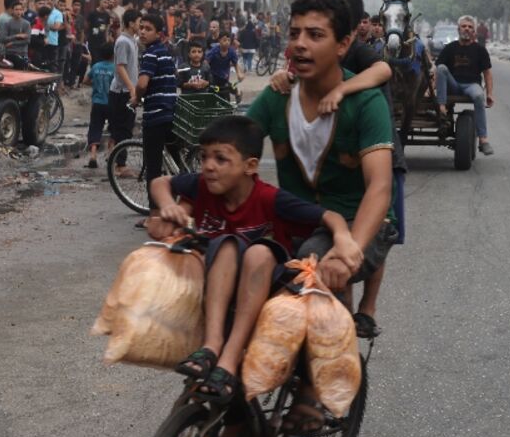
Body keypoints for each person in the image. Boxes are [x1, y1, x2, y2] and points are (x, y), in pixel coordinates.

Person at [146, 115, 361, 403]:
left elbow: (329, 216)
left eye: (221, 159)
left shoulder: (270, 199)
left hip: (264, 292)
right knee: (224, 246)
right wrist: (169, 207)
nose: (208, 166)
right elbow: (161, 182)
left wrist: (344, 238)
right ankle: (212, 348)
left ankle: (229, 359)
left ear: (250, 166)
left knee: (252, 249)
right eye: (204, 157)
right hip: (218, 292)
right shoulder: (201, 187)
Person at [246, 0, 396, 387]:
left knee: (314, 265)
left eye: (314, 35)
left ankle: (321, 391)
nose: (300, 44)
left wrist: (349, 253)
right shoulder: (277, 95)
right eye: (294, 34)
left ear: (344, 42)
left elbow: (380, 187)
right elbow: (232, 145)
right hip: (294, 218)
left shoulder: (365, 101)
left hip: (354, 220)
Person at [135, 12, 178, 208]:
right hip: (171, 112)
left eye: (148, 29)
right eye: (141, 27)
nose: (143, 32)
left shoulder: (150, 54)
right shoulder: (166, 51)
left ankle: (154, 213)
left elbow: (143, 83)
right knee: (176, 163)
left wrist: (136, 97)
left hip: (156, 116)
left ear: (158, 34)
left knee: (153, 167)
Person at [436, 15, 495, 155]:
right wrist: (430, 89)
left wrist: (490, 94)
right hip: (454, 84)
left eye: (470, 27)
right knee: (441, 68)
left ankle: (483, 140)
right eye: (464, 26)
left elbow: (487, 73)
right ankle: (442, 109)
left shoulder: (480, 50)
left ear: (473, 31)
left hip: (471, 85)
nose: (467, 29)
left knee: (479, 96)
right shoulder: (450, 48)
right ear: (458, 29)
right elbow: (437, 71)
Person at [108, 8, 141, 177]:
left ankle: (113, 159)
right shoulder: (123, 42)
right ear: (130, 23)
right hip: (122, 92)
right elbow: (120, 67)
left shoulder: (132, 40)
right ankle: (120, 165)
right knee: (124, 129)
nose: (140, 25)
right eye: (138, 22)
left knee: (121, 128)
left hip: (127, 90)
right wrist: (131, 88)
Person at [82, 41, 116, 169]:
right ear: (113, 55)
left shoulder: (96, 66)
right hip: (112, 103)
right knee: (114, 128)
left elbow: (85, 81)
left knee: (95, 128)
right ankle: (110, 154)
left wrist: (95, 84)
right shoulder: (115, 68)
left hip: (97, 103)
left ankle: (93, 156)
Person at [205, 32, 244, 103]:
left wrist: (239, 74)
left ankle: (238, 94)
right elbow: (205, 62)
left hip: (224, 76)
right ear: (219, 41)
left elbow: (235, 63)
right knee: (213, 91)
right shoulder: (214, 51)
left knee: (228, 88)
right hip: (213, 76)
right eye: (224, 40)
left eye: (229, 40)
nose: (227, 42)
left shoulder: (231, 52)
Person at [0, 0, 32, 68]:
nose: (18, 11)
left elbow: (27, 40)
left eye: (20, 9)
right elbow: (2, 39)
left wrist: (13, 43)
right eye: (16, 9)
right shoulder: (7, 23)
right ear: (12, 10)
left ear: (23, 11)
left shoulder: (26, 24)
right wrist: (16, 36)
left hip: (22, 54)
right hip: (9, 53)